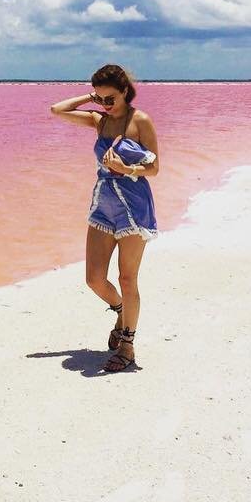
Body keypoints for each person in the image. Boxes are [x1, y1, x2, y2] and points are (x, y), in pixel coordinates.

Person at [49, 64, 159, 372]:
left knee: (127, 278)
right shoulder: (100, 121)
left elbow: (154, 168)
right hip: (104, 203)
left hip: (134, 205)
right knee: (94, 278)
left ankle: (128, 346)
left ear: (125, 91)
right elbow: (57, 109)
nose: (106, 105)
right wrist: (90, 98)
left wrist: (127, 170)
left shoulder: (140, 121)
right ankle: (121, 312)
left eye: (111, 98)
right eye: (102, 99)